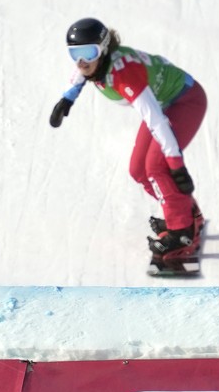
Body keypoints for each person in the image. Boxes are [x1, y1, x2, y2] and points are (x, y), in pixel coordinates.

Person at [49, 18, 206, 262]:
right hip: (164, 103)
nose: (81, 61)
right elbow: (81, 72)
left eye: (87, 52)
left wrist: (177, 166)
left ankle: (183, 232)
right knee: (138, 170)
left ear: (102, 49)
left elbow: (156, 121)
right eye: (74, 53)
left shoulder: (124, 77)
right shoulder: (95, 63)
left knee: (157, 166)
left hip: (185, 101)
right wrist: (68, 97)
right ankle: (185, 212)